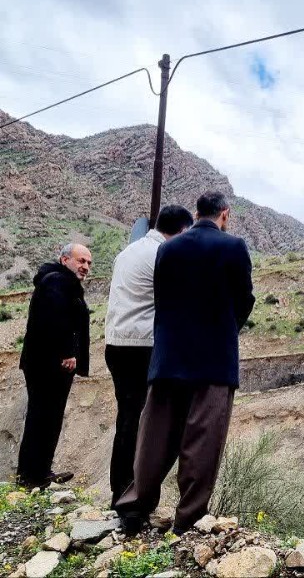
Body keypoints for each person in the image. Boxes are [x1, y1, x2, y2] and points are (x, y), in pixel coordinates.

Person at [115, 191, 255, 535]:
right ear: (224, 214)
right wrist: (223, 330)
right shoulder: (234, 247)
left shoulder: (168, 248)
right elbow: (244, 300)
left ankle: (134, 507)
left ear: (196, 214)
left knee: (155, 435)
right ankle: (188, 518)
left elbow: (161, 300)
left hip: (168, 356)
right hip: (213, 360)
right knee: (202, 439)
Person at [104, 205, 193, 506]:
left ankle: (120, 488)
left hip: (116, 343)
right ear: (181, 231)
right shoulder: (162, 255)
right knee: (147, 421)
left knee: (127, 417)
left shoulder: (127, 252)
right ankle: (130, 492)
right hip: (141, 346)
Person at [17, 243, 92, 488]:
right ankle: (32, 476)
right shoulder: (58, 282)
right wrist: (68, 352)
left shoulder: (57, 281)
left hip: (45, 362)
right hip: (49, 364)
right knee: (43, 417)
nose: (86, 267)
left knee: (46, 417)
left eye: (89, 263)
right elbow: (56, 319)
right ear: (64, 260)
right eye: (81, 261)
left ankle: (36, 472)